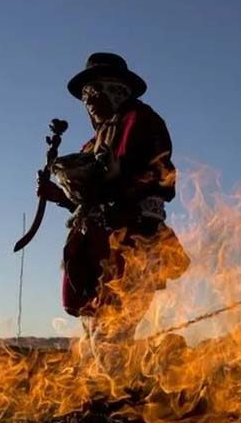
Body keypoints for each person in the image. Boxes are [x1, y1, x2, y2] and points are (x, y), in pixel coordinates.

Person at [38, 52, 190, 373]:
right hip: (96, 241)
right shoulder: (91, 144)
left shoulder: (141, 120)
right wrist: (58, 194)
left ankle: (134, 388)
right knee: (95, 328)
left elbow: (159, 177)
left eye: (94, 92)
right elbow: (87, 199)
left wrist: (111, 191)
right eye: (85, 96)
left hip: (133, 237)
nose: (89, 101)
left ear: (115, 89)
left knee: (113, 329)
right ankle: (114, 396)